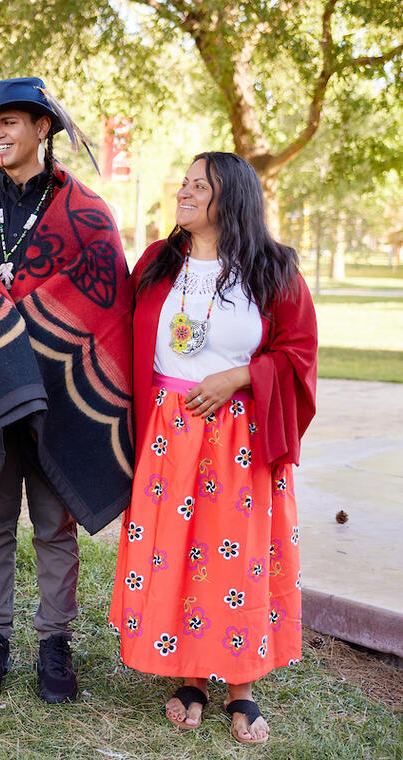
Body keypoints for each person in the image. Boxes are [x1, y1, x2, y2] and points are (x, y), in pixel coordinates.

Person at [0, 77, 134, 701]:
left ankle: (55, 644)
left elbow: (104, 302)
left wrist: (29, 326)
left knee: (53, 523)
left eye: (11, 121)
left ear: (44, 128)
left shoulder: (88, 211)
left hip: (59, 390)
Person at [108, 152, 316, 744]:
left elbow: (299, 352)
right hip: (167, 433)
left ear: (235, 199)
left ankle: (241, 690)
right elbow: (116, 333)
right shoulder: (157, 262)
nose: (187, 191)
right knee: (178, 551)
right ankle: (191, 677)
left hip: (239, 437)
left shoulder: (273, 270)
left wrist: (240, 377)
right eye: (186, 182)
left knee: (235, 559)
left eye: (203, 185)